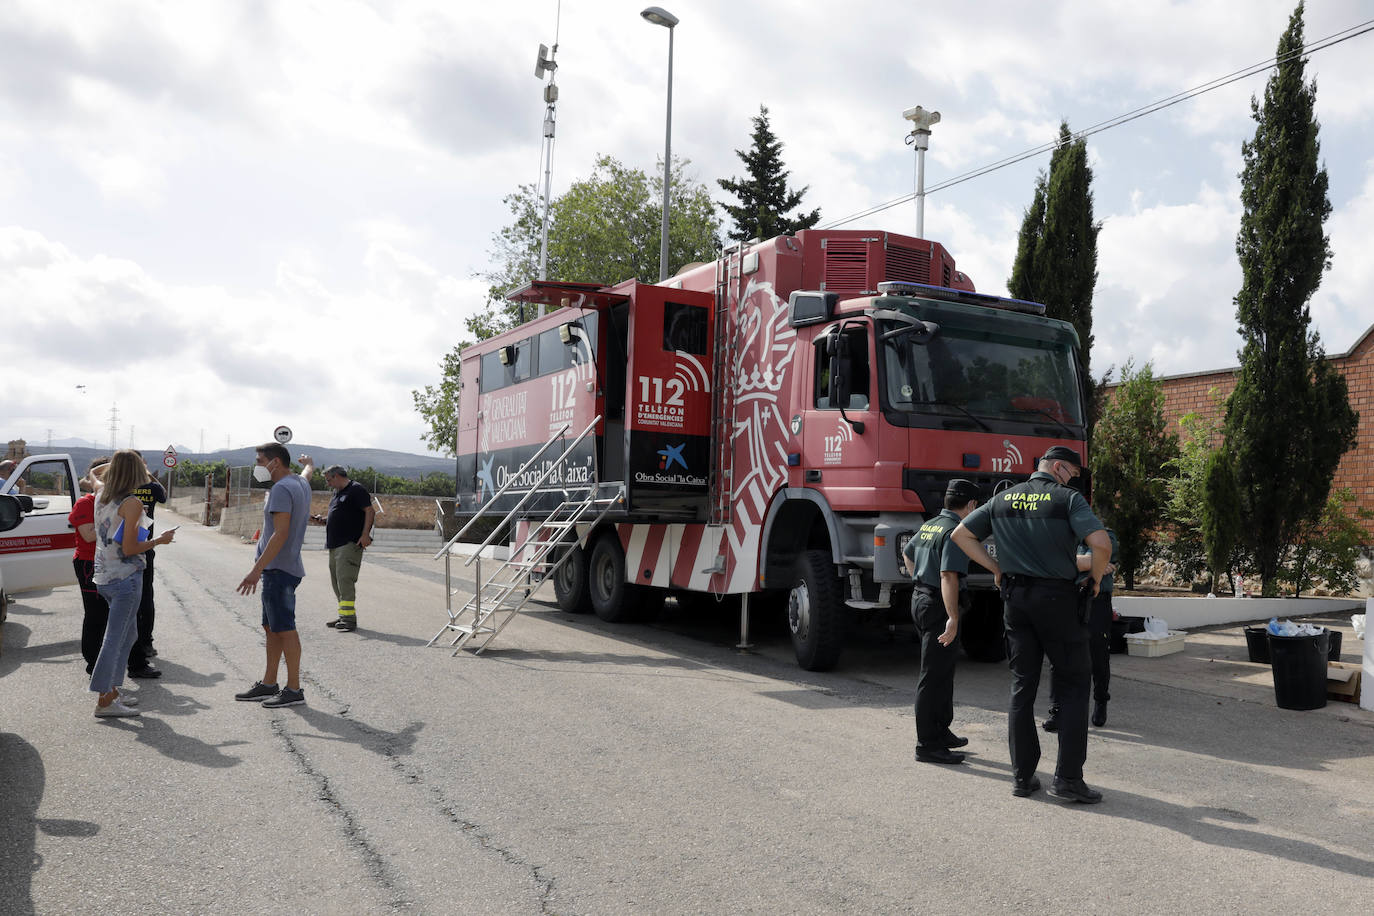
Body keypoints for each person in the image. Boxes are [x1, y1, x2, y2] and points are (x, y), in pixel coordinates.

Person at [952, 446, 1111, 803]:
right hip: (1057, 600)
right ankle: (1067, 780)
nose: (1073, 480)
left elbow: (960, 535)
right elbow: (1100, 543)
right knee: (1073, 683)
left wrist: (995, 569)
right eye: (1071, 473)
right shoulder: (1066, 500)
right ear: (1057, 467)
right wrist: (1097, 579)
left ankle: (1023, 778)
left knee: (1022, 686)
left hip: (1015, 600)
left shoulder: (1002, 499)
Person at [902, 479, 990, 765]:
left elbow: (908, 552)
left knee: (941, 671)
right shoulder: (955, 532)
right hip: (939, 606)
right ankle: (927, 744)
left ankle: (941, 731)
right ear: (972, 506)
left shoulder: (931, 524)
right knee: (933, 676)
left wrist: (919, 580)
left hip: (921, 599)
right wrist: (952, 616)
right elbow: (948, 576)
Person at [89, 450, 176, 718]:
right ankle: (104, 699)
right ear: (138, 472)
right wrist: (158, 541)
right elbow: (129, 548)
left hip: (104, 575)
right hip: (126, 578)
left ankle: (112, 691)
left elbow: (93, 474)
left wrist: (116, 464)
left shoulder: (101, 491)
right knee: (116, 638)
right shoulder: (132, 503)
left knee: (128, 635)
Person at [234, 442, 312, 708]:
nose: (257, 466)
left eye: (259, 461)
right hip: (283, 568)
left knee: (285, 629)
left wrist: (256, 571)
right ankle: (269, 683)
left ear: (275, 462)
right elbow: (307, 474)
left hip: (277, 570)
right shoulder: (299, 483)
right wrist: (309, 463)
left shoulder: (280, 489)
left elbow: (280, 533)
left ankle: (294, 689)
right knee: (272, 628)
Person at [1044, 528, 1120, 731]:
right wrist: (1088, 563)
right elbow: (1051, 561)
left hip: (1096, 601)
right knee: (1058, 656)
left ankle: (1101, 700)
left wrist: (1069, 563)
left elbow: (1097, 555)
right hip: (1067, 599)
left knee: (1098, 656)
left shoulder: (1107, 535)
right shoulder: (1065, 536)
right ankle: (1057, 710)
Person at [305, 458, 375, 632]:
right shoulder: (337, 493)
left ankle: (349, 619)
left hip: (349, 543)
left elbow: (370, 510)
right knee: (336, 581)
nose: (328, 483)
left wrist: (365, 534)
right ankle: (344, 614)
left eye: (329, 480)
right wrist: (323, 520)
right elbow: (340, 515)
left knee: (345, 580)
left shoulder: (356, 489)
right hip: (334, 544)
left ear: (336, 476)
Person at [126, 452, 168, 677]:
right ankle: (142, 643)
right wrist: (149, 473)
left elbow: (162, 497)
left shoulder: (123, 487)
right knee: (142, 597)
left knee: (137, 597)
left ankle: (139, 643)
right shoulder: (147, 486)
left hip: (135, 548)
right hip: (140, 547)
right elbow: (164, 495)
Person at [68, 456, 111, 675]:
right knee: (95, 614)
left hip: (110, 563)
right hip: (88, 563)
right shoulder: (85, 503)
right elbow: (88, 535)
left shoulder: (114, 502)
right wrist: (116, 522)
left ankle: (104, 661)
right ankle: (93, 661)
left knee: (108, 614)